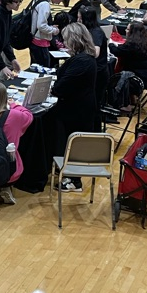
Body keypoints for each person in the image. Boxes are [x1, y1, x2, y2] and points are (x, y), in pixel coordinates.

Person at [50, 22, 99, 192]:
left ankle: (72, 180)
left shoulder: (82, 62)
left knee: (71, 144)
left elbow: (61, 87)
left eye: (65, 40)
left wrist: (53, 89)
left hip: (76, 111)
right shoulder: (86, 58)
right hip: (79, 107)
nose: (64, 43)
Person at [109, 20, 147, 90]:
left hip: (145, 77)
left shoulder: (132, 45)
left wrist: (110, 43)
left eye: (128, 29)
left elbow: (116, 51)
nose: (126, 31)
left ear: (133, 32)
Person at [29, 0, 71, 67]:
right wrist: (54, 30)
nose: (58, 3)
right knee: (44, 68)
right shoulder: (45, 4)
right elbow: (41, 26)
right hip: (40, 42)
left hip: (34, 39)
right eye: (60, 0)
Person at [80, 6, 110, 113]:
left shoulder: (95, 32)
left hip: (98, 73)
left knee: (94, 104)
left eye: (80, 18)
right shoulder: (88, 30)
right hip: (93, 70)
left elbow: (95, 53)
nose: (78, 21)